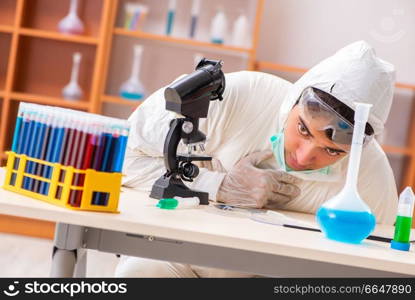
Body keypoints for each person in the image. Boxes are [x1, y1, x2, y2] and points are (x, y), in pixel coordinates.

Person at [115, 40, 398, 277]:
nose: (303, 156)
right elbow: (123, 155)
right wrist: (216, 185)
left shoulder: (370, 178)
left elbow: (379, 268)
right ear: (292, 101)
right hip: (174, 256)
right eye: (302, 129)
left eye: (332, 151)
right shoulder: (239, 97)